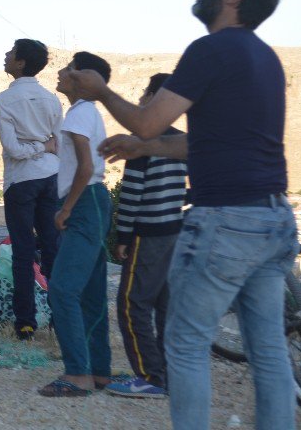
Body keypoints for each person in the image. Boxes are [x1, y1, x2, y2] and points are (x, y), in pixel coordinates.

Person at [69, 0, 295, 429]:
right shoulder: (265, 58)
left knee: (185, 344)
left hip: (226, 223)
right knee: (269, 353)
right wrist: (145, 146)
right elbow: (199, 143)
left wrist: (101, 91)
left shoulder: (211, 49)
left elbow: (149, 118)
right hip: (274, 221)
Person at [105, 73, 187, 400]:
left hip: (148, 234)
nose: (139, 98)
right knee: (165, 305)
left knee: (131, 303)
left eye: (143, 92)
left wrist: (122, 236)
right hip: (175, 233)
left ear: (154, 96)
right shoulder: (180, 141)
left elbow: (132, 196)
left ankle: (150, 376)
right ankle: (169, 372)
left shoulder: (140, 143)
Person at [39, 52, 114, 397]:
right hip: (95, 201)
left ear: (83, 78)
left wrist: (65, 208)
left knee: (63, 289)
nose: (61, 72)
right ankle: (99, 371)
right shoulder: (85, 113)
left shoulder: (79, 114)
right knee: (91, 291)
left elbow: (85, 166)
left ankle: (78, 374)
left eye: (69, 69)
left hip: (83, 202)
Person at [0, 38, 63, 340]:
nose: (6, 55)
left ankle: (25, 321)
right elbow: (57, 144)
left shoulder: (4, 100)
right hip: (51, 177)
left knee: (23, 250)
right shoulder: (51, 98)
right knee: (52, 248)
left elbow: (12, 148)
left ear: (20, 62)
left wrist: (33, 147)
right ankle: (61, 317)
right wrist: (44, 146)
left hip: (21, 180)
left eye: (10, 52)